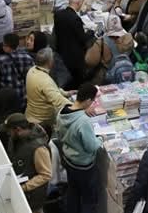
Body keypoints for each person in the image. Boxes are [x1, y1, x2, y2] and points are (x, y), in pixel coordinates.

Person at [55, 83, 102, 213]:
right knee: (88, 198)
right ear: (88, 100)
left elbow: (58, 133)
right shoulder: (83, 121)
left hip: (68, 158)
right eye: (93, 100)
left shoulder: (63, 110)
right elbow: (91, 146)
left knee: (73, 191)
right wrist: (100, 139)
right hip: (83, 165)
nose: (93, 103)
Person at [25, 47, 70, 130]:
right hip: (42, 123)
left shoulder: (32, 70)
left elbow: (45, 90)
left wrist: (66, 93)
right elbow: (60, 102)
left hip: (31, 115)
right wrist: (79, 107)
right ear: (50, 62)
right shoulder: (45, 81)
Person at [53, 0, 90, 87]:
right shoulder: (75, 19)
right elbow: (83, 38)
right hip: (75, 57)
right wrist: (91, 32)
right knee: (77, 81)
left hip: (61, 52)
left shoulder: (58, 14)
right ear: (78, 3)